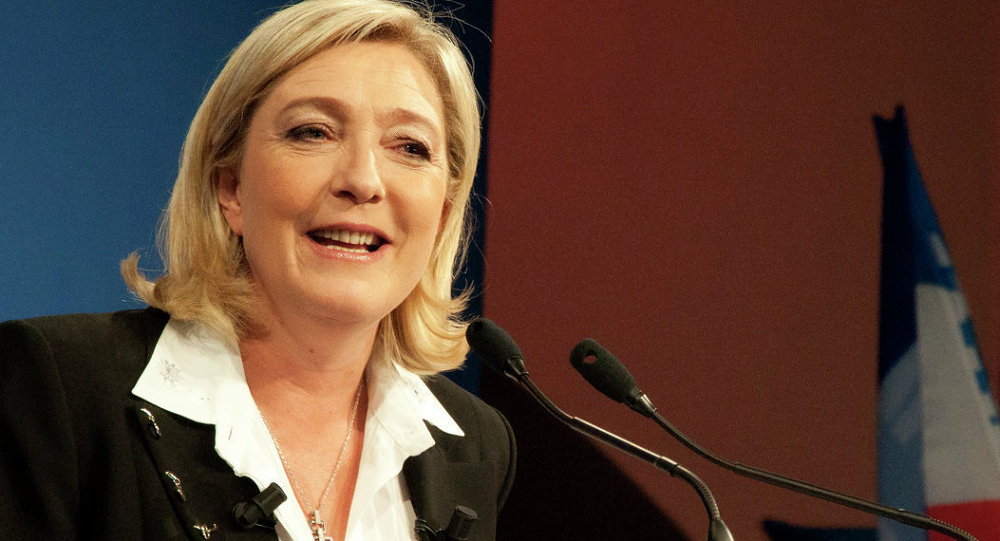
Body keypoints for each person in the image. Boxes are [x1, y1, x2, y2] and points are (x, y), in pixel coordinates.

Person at [0, 1, 515, 539]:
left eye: (410, 146)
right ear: (231, 188)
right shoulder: (60, 390)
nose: (363, 181)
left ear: (443, 214)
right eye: (313, 132)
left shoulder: (475, 447)